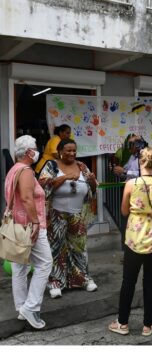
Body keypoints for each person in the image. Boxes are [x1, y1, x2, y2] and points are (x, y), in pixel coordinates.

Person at [108, 147, 152, 336]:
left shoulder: (131, 184)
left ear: (139, 162)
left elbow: (124, 211)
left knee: (128, 281)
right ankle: (148, 325)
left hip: (134, 239)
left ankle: (122, 323)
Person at [38, 139, 98, 299]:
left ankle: (83, 278)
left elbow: (93, 190)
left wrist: (92, 182)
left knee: (78, 247)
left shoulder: (82, 166)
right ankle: (56, 282)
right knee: (57, 248)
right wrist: (64, 178)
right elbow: (42, 186)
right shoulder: (52, 166)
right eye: (68, 151)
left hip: (77, 214)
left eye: (74, 151)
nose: (72, 154)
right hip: (56, 214)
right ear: (60, 152)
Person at [4, 135, 52, 329]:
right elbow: (26, 197)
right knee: (45, 264)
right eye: (35, 148)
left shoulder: (13, 170)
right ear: (29, 152)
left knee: (19, 268)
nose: (37, 151)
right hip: (29, 225)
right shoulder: (25, 171)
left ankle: (22, 307)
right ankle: (31, 307)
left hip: (16, 224)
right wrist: (35, 222)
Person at [111, 134, 148, 249]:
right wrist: (119, 171)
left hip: (140, 194)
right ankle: (127, 248)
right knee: (126, 220)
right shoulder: (132, 157)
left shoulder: (145, 156)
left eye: (131, 144)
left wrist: (125, 172)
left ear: (138, 145)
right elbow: (127, 170)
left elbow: (144, 174)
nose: (128, 147)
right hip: (130, 192)